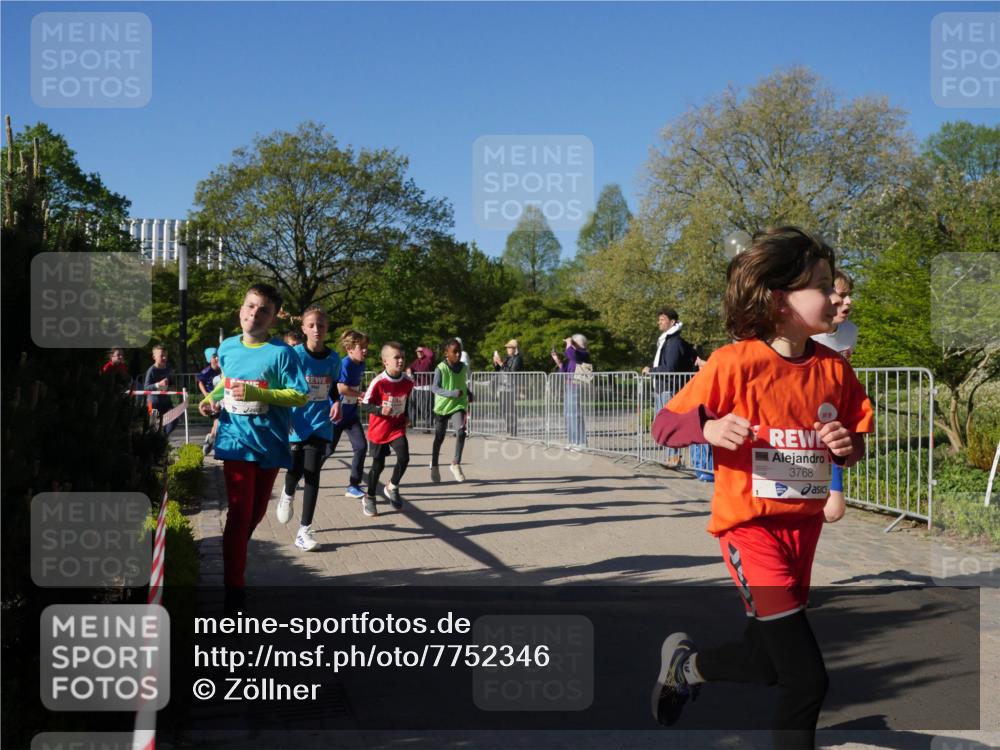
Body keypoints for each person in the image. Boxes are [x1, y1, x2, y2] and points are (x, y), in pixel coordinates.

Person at [649, 227, 873, 750]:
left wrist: (845, 447)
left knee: (766, 662)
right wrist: (706, 428)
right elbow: (663, 425)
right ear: (779, 300)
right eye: (822, 285)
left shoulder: (834, 369)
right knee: (806, 679)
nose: (836, 296)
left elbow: (855, 444)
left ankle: (685, 669)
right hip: (750, 532)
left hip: (803, 533)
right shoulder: (736, 363)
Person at [197, 283, 309, 594]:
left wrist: (258, 393)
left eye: (264, 310)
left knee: (255, 513)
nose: (255, 313)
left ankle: (235, 551)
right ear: (240, 310)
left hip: (269, 442)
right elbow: (226, 383)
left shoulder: (282, 353)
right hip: (234, 439)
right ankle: (234, 588)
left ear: (272, 319)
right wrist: (209, 400)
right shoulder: (227, 347)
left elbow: (299, 395)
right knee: (239, 510)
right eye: (250, 306)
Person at [276, 307, 342, 550]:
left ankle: (304, 530)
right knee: (295, 469)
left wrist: (337, 402)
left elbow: (333, 387)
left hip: (320, 422)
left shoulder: (334, 359)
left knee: (313, 472)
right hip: (296, 421)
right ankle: (288, 492)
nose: (317, 329)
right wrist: (284, 415)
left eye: (321, 325)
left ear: (327, 328)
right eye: (311, 325)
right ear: (303, 328)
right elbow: (282, 385)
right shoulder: (294, 355)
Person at [811, 269, 858, 524]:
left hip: (834, 418)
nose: (848, 302)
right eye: (841, 295)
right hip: (803, 423)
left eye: (849, 295)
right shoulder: (807, 331)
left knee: (834, 511)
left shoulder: (851, 332)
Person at [361, 342, 415, 515]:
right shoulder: (379, 382)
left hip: (396, 427)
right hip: (379, 430)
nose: (401, 361)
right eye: (396, 357)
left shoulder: (408, 381)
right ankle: (369, 497)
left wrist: (407, 415)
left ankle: (392, 486)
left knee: (404, 457)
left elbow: (405, 401)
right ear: (385, 361)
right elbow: (365, 404)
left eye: (402, 357)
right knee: (378, 466)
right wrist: (379, 410)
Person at [332, 329, 371, 510]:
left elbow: (352, 388)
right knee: (327, 451)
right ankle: (302, 475)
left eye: (366, 347)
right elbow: (341, 388)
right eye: (361, 347)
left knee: (361, 447)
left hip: (351, 415)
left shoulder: (361, 364)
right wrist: (360, 394)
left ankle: (353, 486)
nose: (365, 350)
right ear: (349, 349)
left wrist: (359, 396)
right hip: (336, 415)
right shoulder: (345, 364)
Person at [430, 338, 472, 483]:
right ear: (446, 353)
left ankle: (455, 463)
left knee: (461, 432)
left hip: (458, 405)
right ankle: (434, 465)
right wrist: (451, 393)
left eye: (459, 351)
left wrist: (469, 392)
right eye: (454, 351)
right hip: (442, 407)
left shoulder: (463, 367)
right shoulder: (441, 368)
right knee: (439, 438)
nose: (458, 354)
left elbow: (461, 383)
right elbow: (434, 388)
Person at [551, 334, 591, 447]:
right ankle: (572, 441)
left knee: (575, 415)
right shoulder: (574, 356)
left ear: (577, 343)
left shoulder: (583, 353)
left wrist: (569, 342)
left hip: (576, 386)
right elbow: (565, 371)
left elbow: (570, 353)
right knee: (568, 414)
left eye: (573, 342)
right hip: (570, 387)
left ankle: (580, 443)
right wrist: (558, 361)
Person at [492, 339, 523, 437]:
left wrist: (500, 362)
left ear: (515, 349)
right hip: (502, 387)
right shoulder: (507, 358)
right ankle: (509, 429)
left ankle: (513, 431)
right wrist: (496, 363)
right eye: (507, 347)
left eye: (509, 347)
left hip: (510, 388)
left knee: (510, 410)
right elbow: (499, 370)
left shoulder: (517, 359)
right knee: (503, 409)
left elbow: (511, 372)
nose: (507, 349)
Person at [144, 345, 177, 436]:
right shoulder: (151, 370)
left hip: (166, 402)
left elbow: (172, 384)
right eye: (161, 356)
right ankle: (155, 440)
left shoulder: (168, 368)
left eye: (166, 355)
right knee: (153, 427)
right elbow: (146, 388)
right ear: (154, 357)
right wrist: (158, 384)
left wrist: (171, 387)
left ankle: (163, 438)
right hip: (152, 403)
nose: (164, 358)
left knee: (174, 420)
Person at [197, 347, 223, 456]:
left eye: (218, 355)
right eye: (214, 357)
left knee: (218, 422)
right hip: (213, 398)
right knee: (218, 421)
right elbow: (200, 382)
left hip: (221, 397)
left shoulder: (222, 369)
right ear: (209, 359)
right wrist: (206, 394)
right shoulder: (207, 371)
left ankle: (211, 438)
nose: (217, 358)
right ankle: (212, 438)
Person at [405, 345, 435, 427]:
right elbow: (410, 367)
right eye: (417, 352)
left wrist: (423, 348)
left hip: (426, 388)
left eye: (420, 352)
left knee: (426, 408)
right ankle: (411, 422)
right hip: (416, 387)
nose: (419, 353)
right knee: (412, 405)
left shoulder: (428, 360)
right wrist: (408, 369)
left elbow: (431, 354)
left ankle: (429, 425)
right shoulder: (416, 361)